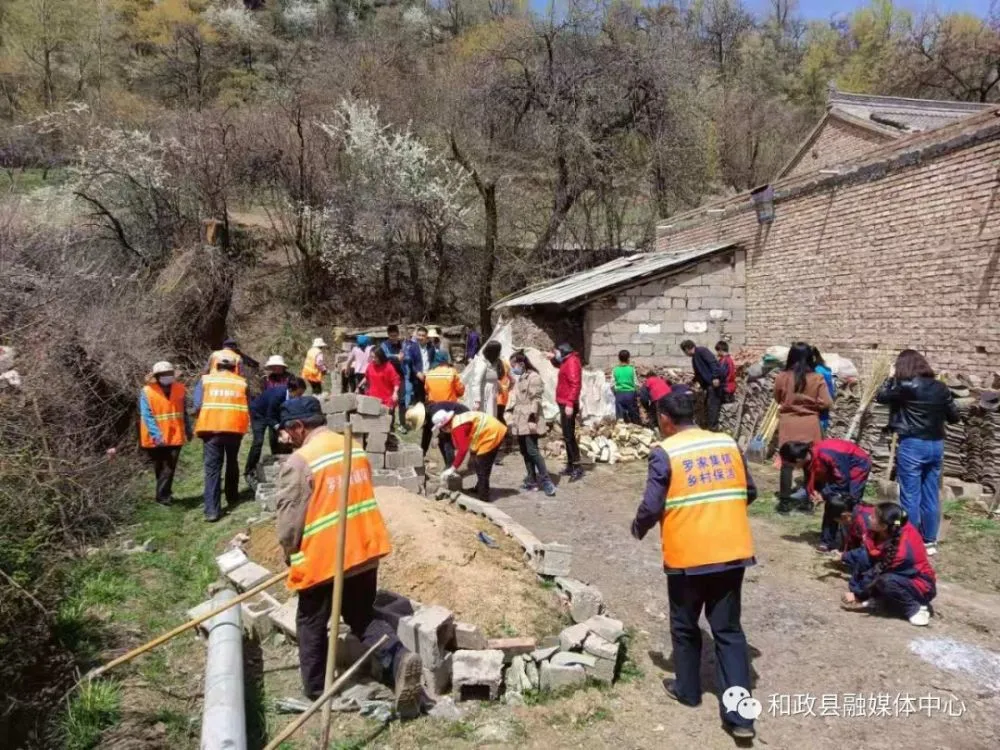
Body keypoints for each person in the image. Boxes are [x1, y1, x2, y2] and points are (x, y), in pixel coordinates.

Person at [273, 396, 423, 716]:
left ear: (300, 427)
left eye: (288, 430)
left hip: (326, 557)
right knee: (361, 615)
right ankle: (399, 660)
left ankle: (316, 689)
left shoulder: (300, 462)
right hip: (363, 548)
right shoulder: (352, 447)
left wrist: (289, 552)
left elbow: (289, 522)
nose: (287, 437)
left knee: (311, 621)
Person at [630, 391, 757, 741]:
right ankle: (740, 716)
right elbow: (750, 492)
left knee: (685, 625)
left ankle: (687, 690)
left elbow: (652, 505)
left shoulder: (665, 452)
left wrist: (638, 526)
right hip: (733, 551)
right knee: (729, 632)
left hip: (689, 557)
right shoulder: (727, 443)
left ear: (665, 419)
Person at [876, 349, 959, 557]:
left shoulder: (905, 387)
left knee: (910, 495)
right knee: (930, 494)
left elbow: (881, 397)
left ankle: (909, 539)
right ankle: (929, 541)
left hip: (913, 443)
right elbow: (954, 416)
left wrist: (889, 378)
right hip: (936, 443)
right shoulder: (941, 387)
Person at [841, 503, 936, 627]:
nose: (869, 517)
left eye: (873, 517)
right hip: (894, 574)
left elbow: (877, 571)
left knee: (886, 581)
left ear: (884, 526)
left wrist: (858, 594)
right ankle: (877, 598)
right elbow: (867, 552)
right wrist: (843, 556)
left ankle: (915, 608)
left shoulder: (903, 552)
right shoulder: (885, 529)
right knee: (864, 556)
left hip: (919, 585)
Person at [779, 439, 872, 552]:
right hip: (839, 471)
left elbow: (842, 481)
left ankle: (851, 545)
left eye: (791, 465)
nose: (792, 467)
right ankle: (827, 541)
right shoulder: (808, 458)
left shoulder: (828, 455)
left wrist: (824, 494)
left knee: (847, 502)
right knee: (832, 503)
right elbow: (811, 479)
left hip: (857, 465)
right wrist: (815, 492)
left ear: (798, 460)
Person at [774, 342, 832, 514]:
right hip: (810, 423)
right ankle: (807, 501)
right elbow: (827, 402)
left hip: (788, 422)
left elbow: (777, 398)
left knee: (787, 463)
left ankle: (784, 502)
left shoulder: (782, 377)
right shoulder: (817, 378)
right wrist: (812, 404)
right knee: (810, 463)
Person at [193, 353, 250, 522]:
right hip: (234, 429)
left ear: (216, 366)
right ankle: (232, 497)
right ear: (234, 367)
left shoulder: (205, 380)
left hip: (211, 430)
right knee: (232, 463)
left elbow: (197, 405)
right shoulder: (242, 382)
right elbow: (247, 404)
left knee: (212, 470)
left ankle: (212, 511)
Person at [138, 361, 192, 506]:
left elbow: (184, 411)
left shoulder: (180, 389)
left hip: (175, 435)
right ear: (157, 376)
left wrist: (188, 429)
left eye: (169, 373)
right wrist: (156, 435)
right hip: (154, 437)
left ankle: (163, 497)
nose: (167, 376)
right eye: (164, 374)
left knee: (169, 467)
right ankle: (163, 494)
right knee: (160, 467)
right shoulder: (147, 391)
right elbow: (146, 415)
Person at [246, 373, 306, 490]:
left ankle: (276, 464)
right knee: (258, 441)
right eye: (299, 394)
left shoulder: (290, 397)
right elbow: (269, 417)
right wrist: (281, 430)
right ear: (291, 390)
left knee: (276, 437)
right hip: (259, 413)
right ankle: (249, 471)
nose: (300, 397)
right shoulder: (278, 395)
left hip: (272, 414)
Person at [508, 351, 556, 496]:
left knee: (532, 450)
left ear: (521, 364)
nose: (513, 368)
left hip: (529, 417)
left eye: (514, 365)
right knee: (524, 451)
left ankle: (546, 480)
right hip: (519, 417)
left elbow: (536, 399)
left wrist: (531, 417)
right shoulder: (521, 378)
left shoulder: (534, 378)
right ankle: (531, 479)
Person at [434, 409, 507, 502]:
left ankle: (483, 499)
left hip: (492, 433)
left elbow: (463, 449)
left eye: (441, 428)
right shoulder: (456, 420)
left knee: (481, 465)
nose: (442, 430)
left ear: (445, 425)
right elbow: (460, 443)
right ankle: (480, 488)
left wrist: (453, 468)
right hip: (490, 430)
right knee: (478, 461)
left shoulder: (458, 427)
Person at [422, 350, 465, 456]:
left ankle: (421, 455)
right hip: (447, 408)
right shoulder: (452, 372)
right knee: (446, 437)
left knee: (427, 432)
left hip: (432, 407)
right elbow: (460, 390)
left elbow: (427, 390)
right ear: (446, 359)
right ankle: (449, 464)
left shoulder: (429, 373)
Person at [552, 342, 584, 481]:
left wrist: (570, 403)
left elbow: (575, 384)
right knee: (566, 435)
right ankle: (571, 465)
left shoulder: (572, 363)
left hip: (567, 403)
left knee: (569, 436)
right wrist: (551, 358)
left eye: (557, 352)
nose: (556, 355)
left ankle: (577, 466)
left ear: (563, 351)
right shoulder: (567, 361)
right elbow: (558, 364)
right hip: (564, 402)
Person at [680, 340, 724, 431]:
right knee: (708, 405)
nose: (685, 354)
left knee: (712, 406)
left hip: (713, 384)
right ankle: (710, 426)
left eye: (684, 351)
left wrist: (716, 377)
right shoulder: (694, 358)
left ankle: (713, 428)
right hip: (708, 385)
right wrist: (692, 381)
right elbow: (698, 373)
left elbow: (713, 363)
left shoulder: (702, 351)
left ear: (687, 349)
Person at [362, 347, 401, 426]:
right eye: (371, 357)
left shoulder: (388, 367)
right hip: (372, 399)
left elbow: (396, 381)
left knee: (385, 426)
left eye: (375, 357)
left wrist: (395, 393)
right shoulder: (370, 366)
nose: (373, 359)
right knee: (372, 425)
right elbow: (366, 377)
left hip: (386, 401)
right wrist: (358, 386)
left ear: (380, 356)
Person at [380, 325, 407, 430]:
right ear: (388, 335)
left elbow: (406, 355)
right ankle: (389, 423)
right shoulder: (384, 345)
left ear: (398, 334)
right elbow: (384, 356)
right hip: (389, 376)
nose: (393, 338)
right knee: (390, 400)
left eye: (395, 336)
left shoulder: (402, 344)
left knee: (402, 401)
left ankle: (402, 423)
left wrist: (402, 357)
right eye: (391, 336)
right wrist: (396, 357)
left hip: (401, 375)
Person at [812, 347, 836, 435]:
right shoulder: (825, 370)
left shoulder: (817, 372)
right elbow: (831, 394)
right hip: (823, 412)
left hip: (816, 412)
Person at [612, 350, 641, 424]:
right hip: (630, 393)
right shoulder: (631, 369)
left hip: (619, 393)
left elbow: (612, 384)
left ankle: (621, 430)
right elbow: (636, 383)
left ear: (619, 358)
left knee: (620, 415)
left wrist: (615, 392)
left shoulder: (615, 370)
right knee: (633, 413)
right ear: (628, 358)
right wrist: (637, 392)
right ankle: (635, 426)